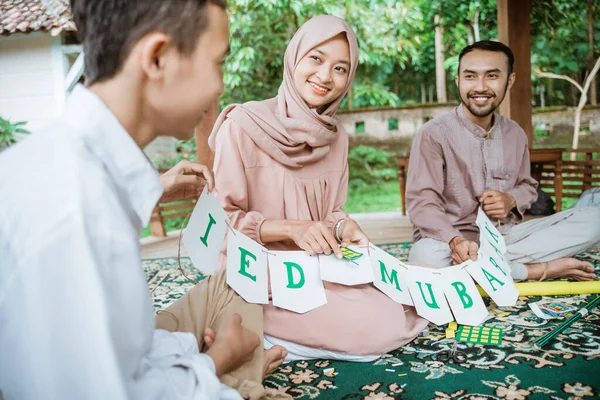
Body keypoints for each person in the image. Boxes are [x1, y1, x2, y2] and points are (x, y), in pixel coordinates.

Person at [0, 1, 286, 398]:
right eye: (218, 62)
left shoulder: (74, 166)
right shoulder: (75, 212)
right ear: (158, 58)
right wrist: (217, 358)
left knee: (237, 282)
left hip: (136, 355)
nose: (220, 87)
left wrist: (152, 187)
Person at [209, 15, 427, 362]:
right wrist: (289, 230)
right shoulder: (241, 125)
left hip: (318, 266)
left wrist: (343, 226)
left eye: (340, 68)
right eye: (316, 58)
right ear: (294, 56)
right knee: (377, 327)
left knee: (411, 294)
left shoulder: (336, 137)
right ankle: (259, 334)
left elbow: (331, 212)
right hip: (256, 273)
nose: (325, 76)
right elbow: (220, 225)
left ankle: (286, 336)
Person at [406, 40, 600, 282]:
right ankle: (536, 270)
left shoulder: (515, 134)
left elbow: (528, 188)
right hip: (448, 243)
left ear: (509, 81)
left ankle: (480, 270)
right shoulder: (433, 134)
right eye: (470, 77)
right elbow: (422, 204)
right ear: (458, 81)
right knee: (426, 257)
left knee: (594, 220)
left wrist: (511, 200)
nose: (480, 87)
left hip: (506, 237)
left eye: (492, 76)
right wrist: (455, 240)